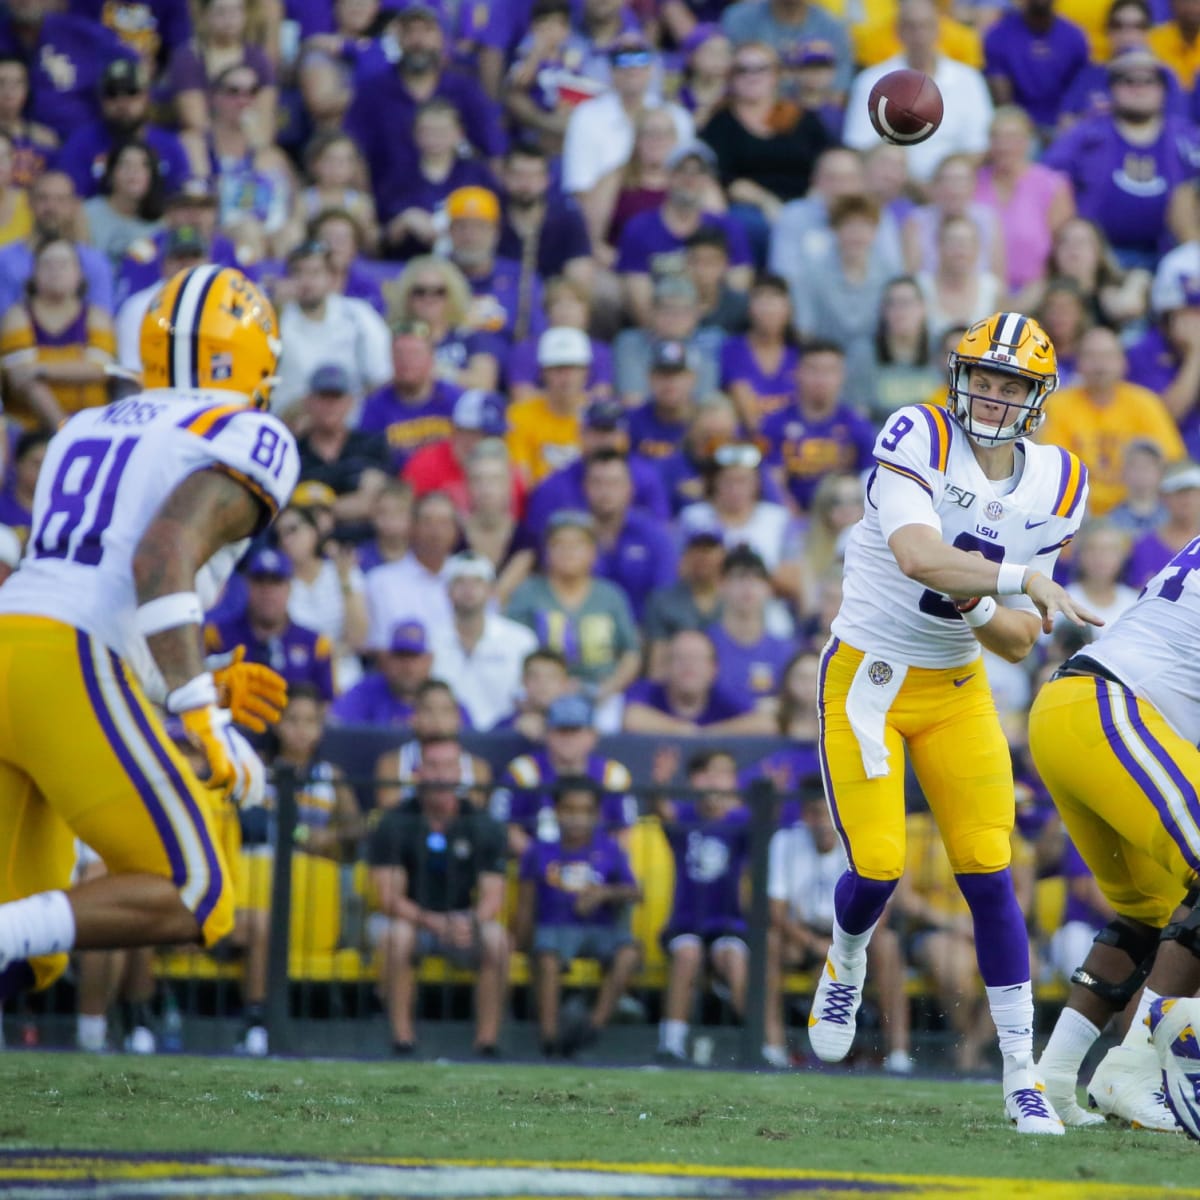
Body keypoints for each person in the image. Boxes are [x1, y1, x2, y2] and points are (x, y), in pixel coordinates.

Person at [806, 311, 1101, 1135]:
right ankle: (848, 955)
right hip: (868, 674)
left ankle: (1021, 1076)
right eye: (987, 378)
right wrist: (1016, 578)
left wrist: (985, 598)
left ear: (1037, 398)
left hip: (957, 687)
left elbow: (1012, 643)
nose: (996, 396)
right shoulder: (919, 435)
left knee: (987, 866)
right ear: (960, 375)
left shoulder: (1059, 484)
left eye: (1014, 385)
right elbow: (914, 554)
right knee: (878, 864)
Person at [0, 263, 296, 1007]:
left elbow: (82, 584)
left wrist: (184, 679)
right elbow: (158, 560)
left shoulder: (83, 425)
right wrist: (201, 709)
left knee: (27, 953)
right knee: (196, 890)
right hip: (71, 660)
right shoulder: (245, 431)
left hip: (21, 646)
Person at [1029, 534, 1200, 1131]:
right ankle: (1131, 1066)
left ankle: (1051, 1079)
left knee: (1151, 914)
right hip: (1113, 708)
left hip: (1074, 712)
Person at [367, 734, 509, 1056]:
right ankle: (402, 1039)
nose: (441, 775)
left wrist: (469, 921)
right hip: (408, 919)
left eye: (448, 766)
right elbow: (389, 897)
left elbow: (493, 895)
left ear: (461, 773)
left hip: (462, 919)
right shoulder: (394, 821)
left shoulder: (483, 823)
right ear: (417, 773)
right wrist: (431, 921)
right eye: (432, 766)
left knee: (498, 941)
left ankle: (487, 1043)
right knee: (397, 937)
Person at [766, 780, 911, 1073]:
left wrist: (843, 947)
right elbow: (777, 912)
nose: (822, 822)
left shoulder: (860, 841)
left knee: (889, 944)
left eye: (827, 813)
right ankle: (773, 1046)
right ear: (804, 815)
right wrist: (813, 944)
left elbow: (881, 911)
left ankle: (898, 1052)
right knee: (769, 942)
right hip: (802, 934)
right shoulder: (784, 841)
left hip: (856, 937)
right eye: (815, 814)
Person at [514, 776, 642, 1058]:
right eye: (569, 810)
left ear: (597, 814)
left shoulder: (611, 850)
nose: (577, 818)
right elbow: (525, 903)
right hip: (553, 928)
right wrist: (520, 942)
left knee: (629, 953)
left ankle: (593, 1028)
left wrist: (604, 893)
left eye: (585, 811)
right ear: (557, 812)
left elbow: (636, 892)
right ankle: (549, 1039)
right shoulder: (538, 850)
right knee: (546, 956)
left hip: (602, 930)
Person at [1041, 49, 1200, 270]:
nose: (1138, 88)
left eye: (1149, 81)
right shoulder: (1085, 135)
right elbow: (1046, 182)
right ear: (1112, 88)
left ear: (1163, 89)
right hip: (1100, 258)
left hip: (1170, 255)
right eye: (1128, 81)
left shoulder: (1187, 137)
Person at [654, 748, 750, 1064]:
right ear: (696, 780)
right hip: (686, 920)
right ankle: (671, 1041)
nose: (718, 782)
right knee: (688, 953)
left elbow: (769, 820)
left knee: (734, 958)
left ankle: (753, 1039)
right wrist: (661, 780)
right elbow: (662, 809)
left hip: (728, 922)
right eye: (711, 773)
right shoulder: (685, 816)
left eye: (725, 774)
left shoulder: (742, 821)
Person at [697, 40, 832, 261]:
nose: (752, 75)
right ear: (732, 77)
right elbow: (723, 177)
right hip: (749, 207)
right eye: (743, 70)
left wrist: (806, 204)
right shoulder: (721, 123)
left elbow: (826, 162)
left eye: (761, 68)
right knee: (750, 226)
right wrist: (768, 203)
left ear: (776, 75)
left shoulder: (801, 118)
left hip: (805, 202)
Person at [506, 510, 642, 722]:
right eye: (559, 544)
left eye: (578, 545)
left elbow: (631, 653)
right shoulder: (528, 593)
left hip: (599, 695)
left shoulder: (610, 595)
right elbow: (509, 646)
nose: (568, 552)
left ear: (593, 552)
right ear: (546, 551)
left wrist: (607, 689)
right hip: (540, 697)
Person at [1034, 325, 1185, 516]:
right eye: (1091, 356)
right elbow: (1053, 468)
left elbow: (1173, 461)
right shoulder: (1058, 405)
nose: (1100, 365)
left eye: (1107, 356)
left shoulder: (1145, 403)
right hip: (1076, 512)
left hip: (1137, 512)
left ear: (1123, 362)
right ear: (1078, 362)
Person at [842, 0, 993, 185]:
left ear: (939, 30)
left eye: (926, 26)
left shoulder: (969, 80)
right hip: (892, 189)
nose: (919, 35)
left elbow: (977, 148)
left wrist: (942, 186)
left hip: (953, 189)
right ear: (898, 32)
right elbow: (861, 148)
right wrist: (913, 186)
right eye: (911, 27)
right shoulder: (870, 81)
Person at [491, 693, 637, 857]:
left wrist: (598, 862)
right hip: (533, 870)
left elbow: (626, 832)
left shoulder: (613, 776)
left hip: (599, 869)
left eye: (575, 731)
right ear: (547, 733)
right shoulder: (523, 772)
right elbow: (504, 826)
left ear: (592, 736)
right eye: (561, 730)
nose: (568, 739)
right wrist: (540, 861)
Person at [0, 235, 117, 431]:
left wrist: (41, 369)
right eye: (47, 264)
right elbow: (21, 379)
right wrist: (63, 427)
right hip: (29, 430)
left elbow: (100, 370)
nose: (55, 271)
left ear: (79, 273)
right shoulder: (17, 316)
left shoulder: (96, 316)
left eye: (63, 264)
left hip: (92, 424)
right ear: (34, 273)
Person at [271, 239, 392, 416]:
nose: (307, 282)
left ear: (331, 277)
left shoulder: (358, 315)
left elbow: (382, 375)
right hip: (291, 422)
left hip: (349, 427)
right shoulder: (277, 318)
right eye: (299, 273)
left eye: (315, 273)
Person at [205, 548, 337, 702]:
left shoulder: (315, 645)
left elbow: (327, 706)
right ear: (247, 585)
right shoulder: (217, 636)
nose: (267, 591)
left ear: (289, 588)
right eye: (260, 582)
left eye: (276, 582)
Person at [761, 340, 874, 514]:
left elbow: (870, 480)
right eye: (813, 370)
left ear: (841, 375)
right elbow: (771, 481)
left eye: (829, 371)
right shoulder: (774, 423)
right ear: (797, 373)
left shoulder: (857, 425)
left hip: (844, 517)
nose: (821, 379)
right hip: (789, 518)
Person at [429, 551, 538, 731]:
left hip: (507, 735)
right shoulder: (431, 639)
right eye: (460, 582)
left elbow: (531, 695)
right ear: (447, 590)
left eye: (477, 582)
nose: (468, 589)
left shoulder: (520, 639)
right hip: (447, 736)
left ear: (492, 590)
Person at [57, 58, 191, 203]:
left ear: (146, 97)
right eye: (112, 94)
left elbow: (181, 201)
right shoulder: (80, 144)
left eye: (131, 92)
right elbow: (72, 201)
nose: (122, 103)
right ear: (101, 100)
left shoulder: (170, 146)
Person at [975, 107, 1074, 296]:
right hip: (980, 290)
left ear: (1028, 141)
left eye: (1012, 138)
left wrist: (1040, 291)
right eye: (997, 138)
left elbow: (1061, 248)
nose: (1004, 146)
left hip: (1037, 291)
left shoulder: (1052, 185)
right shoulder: (974, 183)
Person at [583, 448, 679, 622]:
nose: (605, 492)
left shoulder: (654, 535)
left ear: (629, 489)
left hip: (643, 632)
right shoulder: (572, 534)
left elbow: (665, 596)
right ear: (585, 488)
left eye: (613, 483)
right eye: (597, 483)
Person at [358, 320, 463, 474]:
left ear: (431, 358)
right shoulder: (375, 406)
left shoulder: (456, 400)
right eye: (399, 354)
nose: (406, 361)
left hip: (446, 486)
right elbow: (368, 461)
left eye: (414, 354)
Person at [294, 363, 390, 524]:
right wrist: (352, 503)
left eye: (336, 397)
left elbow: (376, 504)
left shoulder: (373, 445)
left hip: (364, 542)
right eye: (323, 397)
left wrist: (315, 507)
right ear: (308, 402)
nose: (330, 406)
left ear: (349, 402)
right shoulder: (294, 452)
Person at [623, 629, 766, 735]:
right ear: (667, 667)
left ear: (713, 669)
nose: (689, 666)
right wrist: (683, 731)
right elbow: (631, 717)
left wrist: (710, 734)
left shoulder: (723, 695)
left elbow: (764, 723)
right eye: (681, 658)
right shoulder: (649, 690)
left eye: (697, 659)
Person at [706, 545, 796, 712]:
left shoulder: (785, 651)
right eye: (739, 577)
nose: (748, 586)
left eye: (756, 578)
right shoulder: (704, 645)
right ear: (720, 586)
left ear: (768, 588)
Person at [364, 490, 459, 648]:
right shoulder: (381, 581)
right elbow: (379, 646)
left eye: (444, 523)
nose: (436, 532)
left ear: (456, 531)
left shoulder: (470, 575)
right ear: (412, 527)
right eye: (427, 522)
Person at [982, 0, 1090, 133]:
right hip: (1020, 126)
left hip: (1063, 123)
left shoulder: (1074, 36)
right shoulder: (998, 35)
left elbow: (1080, 88)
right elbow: (1003, 100)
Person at [505, 325, 592, 485]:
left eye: (573, 368)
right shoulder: (520, 415)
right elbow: (521, 478)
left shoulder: (598, 419)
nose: (566, 377)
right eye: (558, 369)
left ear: (586, 372)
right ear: (543, 373)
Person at [719, 271, 800, 432]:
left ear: (789, 310)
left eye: (775, 301)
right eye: (761, 301)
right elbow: (752, 420)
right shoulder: (732, 350)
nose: (768, 309)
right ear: (750, 309)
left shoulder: (801, 352)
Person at [643, 524, 726, 678]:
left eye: (709, 550)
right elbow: (657, 662)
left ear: (723, 555)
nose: (702, 557)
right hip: (679, 684)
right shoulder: (663, 600)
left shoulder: (734, 599)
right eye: (696, 549)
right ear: (685, 555)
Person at [329, 620, 433, 727]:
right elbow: (334, 722)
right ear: (386, 659)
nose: (407, 666)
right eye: (400, 656)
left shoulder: (439, 695)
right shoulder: (368, 690)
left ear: (428, 661)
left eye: (414, 657)